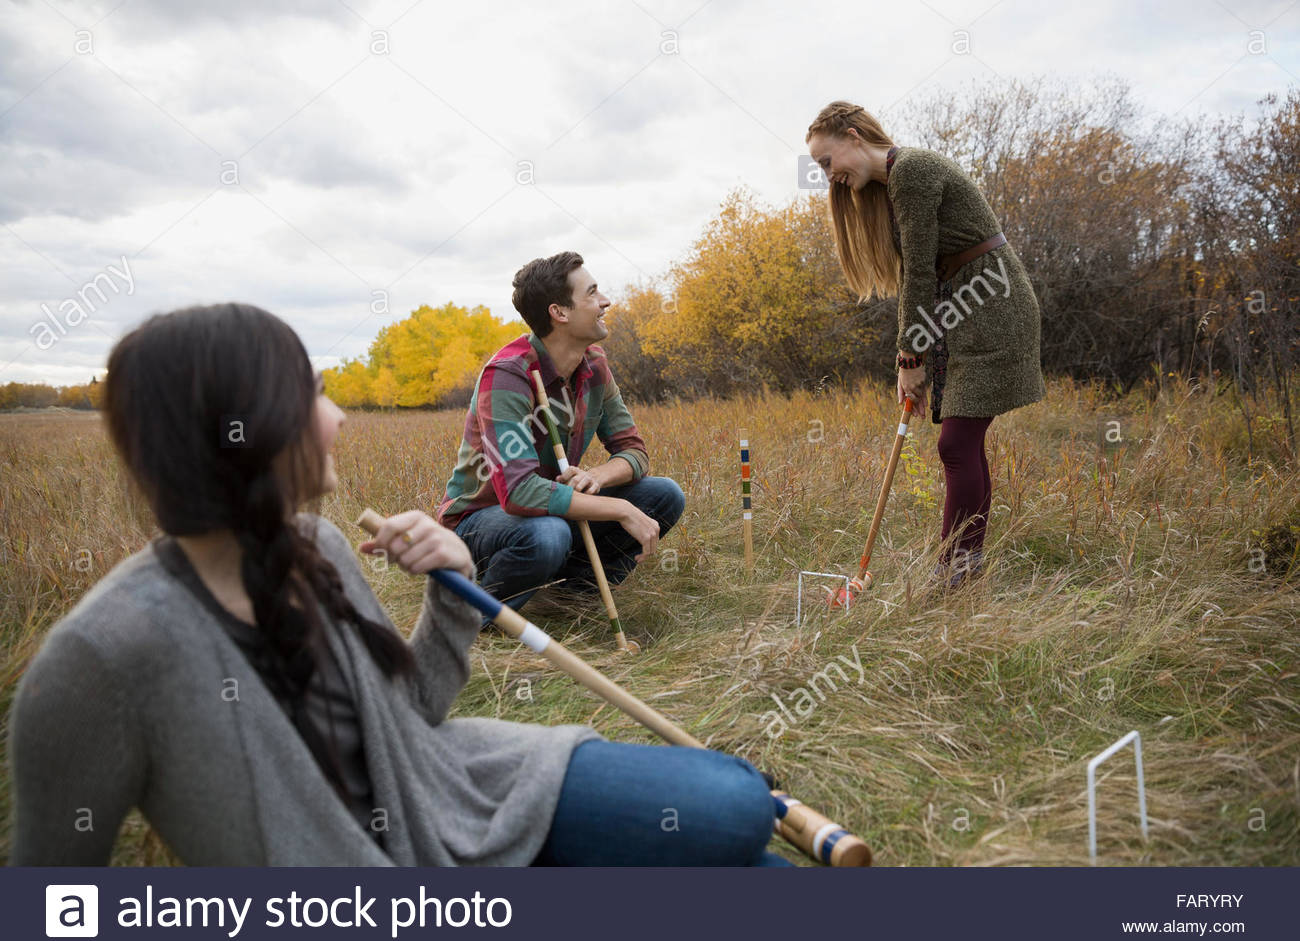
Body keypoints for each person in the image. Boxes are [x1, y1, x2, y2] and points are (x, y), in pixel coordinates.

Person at [6, 303, 788, 866]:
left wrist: (453, 587)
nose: (338, 416)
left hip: (449, 788)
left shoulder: (316, 544)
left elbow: (409, 714)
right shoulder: (100, 656)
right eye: (310, 393)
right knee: (738, 818)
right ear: (240, 427)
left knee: (738, 818)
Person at [806, 101, 1047, 588]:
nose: (827, 174)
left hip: (994, 307)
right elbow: (918, 276)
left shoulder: (912, 171)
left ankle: (953, 571)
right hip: (968, 309)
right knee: (965, 444)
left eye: (826, 161)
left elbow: (919, 271)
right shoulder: (892, 183)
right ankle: (965, 566)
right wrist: (912, 357)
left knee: (956, 443)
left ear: (853, 137)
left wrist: (911, 355)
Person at [436, 251, 685, 619]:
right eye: (592, 293)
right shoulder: (507, 375)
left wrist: (596, 476)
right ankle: (472, 615)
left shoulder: (595, 365)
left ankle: (571, 601)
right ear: (560, 312)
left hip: (549, 510)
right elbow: (519, 493)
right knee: (548, 535)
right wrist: (618, 508)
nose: (606, 302)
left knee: (663, 495)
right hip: (479, 520)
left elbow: (633, 452)